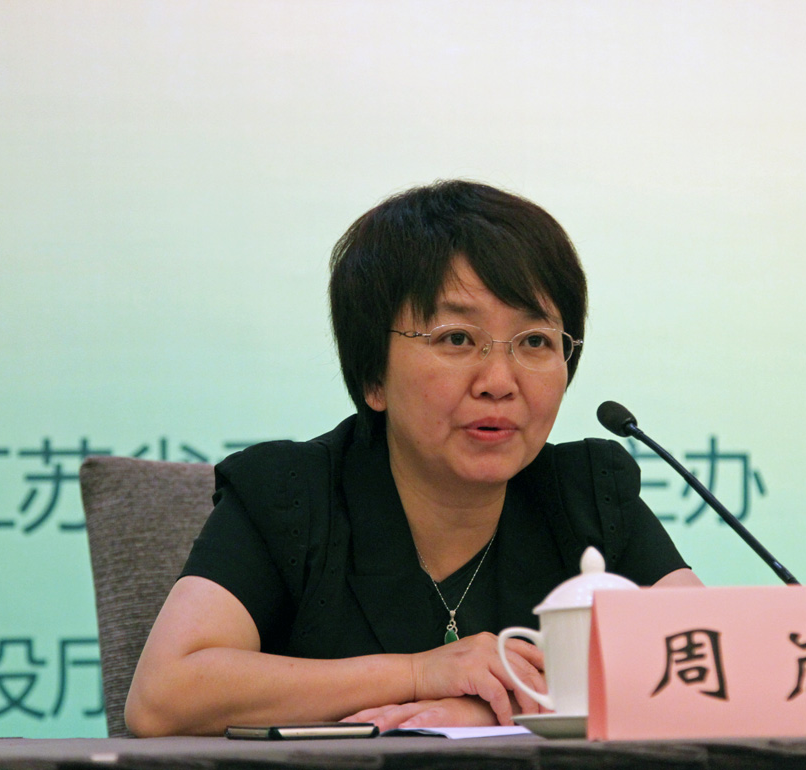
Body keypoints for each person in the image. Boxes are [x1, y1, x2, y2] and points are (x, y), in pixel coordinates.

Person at [125, 180, 703, 737]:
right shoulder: (291, 497)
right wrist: (418, 674)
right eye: (457, 339)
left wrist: (498, 710)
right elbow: (163, 697)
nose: (499, 381)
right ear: (373, 376)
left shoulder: (587, 496)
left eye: (534, 341)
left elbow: (715, 669)